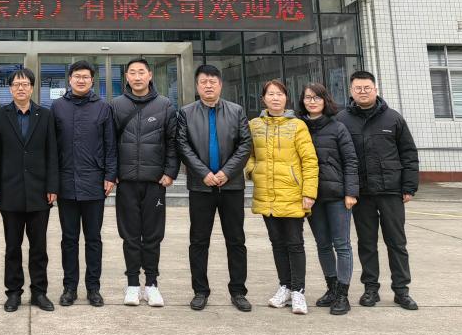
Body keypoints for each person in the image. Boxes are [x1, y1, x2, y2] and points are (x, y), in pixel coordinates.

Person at [338, 70, 420, 310]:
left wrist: (409, 186)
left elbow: (408, 153)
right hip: (361, 193)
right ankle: (370, 289)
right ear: (351, 91)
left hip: (391, 191)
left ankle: (401, 291)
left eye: (367, 88)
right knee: (366, 243)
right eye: (358, 88)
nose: (363, 92)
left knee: (397, 243)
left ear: (375, 89)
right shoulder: (342, 119)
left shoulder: (393, 118)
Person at [176, 63, 253, 312]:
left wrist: (226, 173)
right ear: (197, 86)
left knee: (236, 240)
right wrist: (204, 174)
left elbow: (245, 145)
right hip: (201, 187)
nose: (208, 86)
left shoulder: (236, 111)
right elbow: (183, 146)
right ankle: (200, 291)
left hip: (231, 186)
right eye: (203, 82)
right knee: (199, 241)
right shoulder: (186, 113)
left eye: (212, 81)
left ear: (220, 84)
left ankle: (238, 291)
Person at [0, 67, 59, 313]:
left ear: (32, 88)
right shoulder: (0, 115)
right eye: (16, 84)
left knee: (39, 248)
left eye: (25, 84)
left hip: (40, 192)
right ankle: (13, 293)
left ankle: (39, 292)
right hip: (10, 190)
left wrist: (52, 186)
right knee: (12, 247)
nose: (21, 88)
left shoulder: (45, 115)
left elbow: (52, 153)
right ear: (10, 89)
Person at [246, 79, 319, 315]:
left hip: (292, 194)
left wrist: (309, 192)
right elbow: (248, 155)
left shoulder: (298, 126)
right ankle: (285, 286)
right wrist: (252, 171)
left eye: (279, 94)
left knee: (294, 244)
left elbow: (310, 161)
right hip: (266, 194)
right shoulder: (254, 125)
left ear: (286, 98)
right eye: (270, 94)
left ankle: (298, 291)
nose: (275, 98)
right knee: (277, 243)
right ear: (263, 99)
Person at [110, 57, 179, 307]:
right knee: (129, 236)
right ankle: (131, 284)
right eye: (132, 72)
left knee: (152, 236)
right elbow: (109, 143)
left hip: (155, 182)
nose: (137, 77)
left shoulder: (165, 105)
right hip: (126, 182)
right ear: (126, 77)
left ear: (150, 75)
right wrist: (112, 172)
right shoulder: (116, 105)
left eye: (141, 72)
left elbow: (172, 142)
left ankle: (151, 284)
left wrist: (170, 171)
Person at [52, 60, 117, 307]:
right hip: (66, 183)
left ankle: (93, 288)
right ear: (69, 79)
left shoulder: (103, 108)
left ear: (92, 80)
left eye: (85, 77)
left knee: (93, 239)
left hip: (94, 183)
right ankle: (69, 288)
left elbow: (110, 145)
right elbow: (52, 148)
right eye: (77, 76)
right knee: (69, 239)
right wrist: (52, 182)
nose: (81, 80)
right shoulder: (57, 107)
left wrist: (110, 175)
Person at [300, 82, 359, 315]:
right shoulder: (299, 127)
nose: (312, 101)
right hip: (312, 197)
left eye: (317, 97)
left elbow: (350, 160)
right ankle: (332, 288)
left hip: (337, 196)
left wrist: (351, 192)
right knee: (323, 244)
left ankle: (343, 294)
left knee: (342, 244)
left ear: (325, 100)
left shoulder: (338, 127)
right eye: (308, 97)